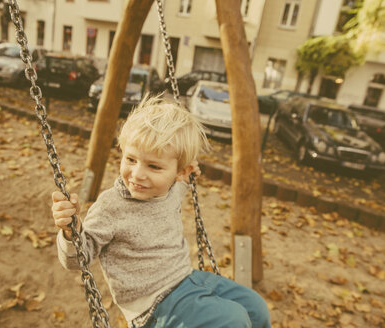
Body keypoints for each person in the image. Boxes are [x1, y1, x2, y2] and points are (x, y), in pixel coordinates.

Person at [51, 95, 272, 328]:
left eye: (153, 166)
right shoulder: (110, 207)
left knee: (255, 308)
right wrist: (70, 231)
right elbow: (78, 259)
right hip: (153, 306)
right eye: (131, 159)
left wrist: (186, 178)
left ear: (177, 172)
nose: (137, 174)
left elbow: (179, 188)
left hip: (186, 277)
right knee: (232, 321)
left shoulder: (170, 189)